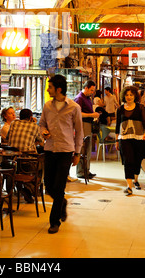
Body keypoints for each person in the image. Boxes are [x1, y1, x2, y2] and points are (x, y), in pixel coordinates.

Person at [39, 74, 84, 234]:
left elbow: (79, 131)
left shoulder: (74, 107)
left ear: (58, 89)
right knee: (49, 186)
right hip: (50, 149)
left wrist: (77, 153)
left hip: (66, 150)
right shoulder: (47, 106)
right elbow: (41, 124)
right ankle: (62, 203)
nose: (47, 89)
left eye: (49, 87)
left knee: (59, 186)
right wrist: (43, 131)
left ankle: (54, 221)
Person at [116, 85, 145, 195]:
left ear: (135, 96)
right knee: (128, 160)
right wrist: (117, 140)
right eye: (127, 95)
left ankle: (135, 179)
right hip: (124, 138)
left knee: (137, 160)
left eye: (131, 95)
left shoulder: (140, 107)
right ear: (123, 96)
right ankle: (129, 186)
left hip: (139, 138)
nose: (129, 97)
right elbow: (117, 126)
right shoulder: (120, 109)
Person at [74, 80, 99, 179]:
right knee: (83, 148)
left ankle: (86, 170)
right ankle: (81, 171)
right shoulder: (79, 98)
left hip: (88, 124)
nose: (92, 92)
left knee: (88, 149)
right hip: (83, 125)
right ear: (86, 88)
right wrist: (92, 115)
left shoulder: (87, 98)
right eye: (91, 90)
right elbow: (78, 114)